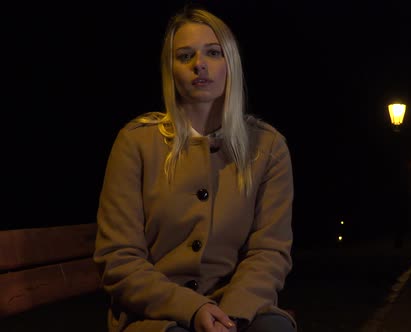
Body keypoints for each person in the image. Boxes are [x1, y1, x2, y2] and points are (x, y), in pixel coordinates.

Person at [93, 4, 296, 332]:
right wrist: (192, 308)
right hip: (156, 315)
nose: (200, 65)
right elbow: (118, 257)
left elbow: (269, 251)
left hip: (236, 307)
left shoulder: (268, 147)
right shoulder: (136, 143)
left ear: (231, 63)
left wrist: (229, 315)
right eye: (185, 56)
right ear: (170, 69)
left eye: (213, 53)